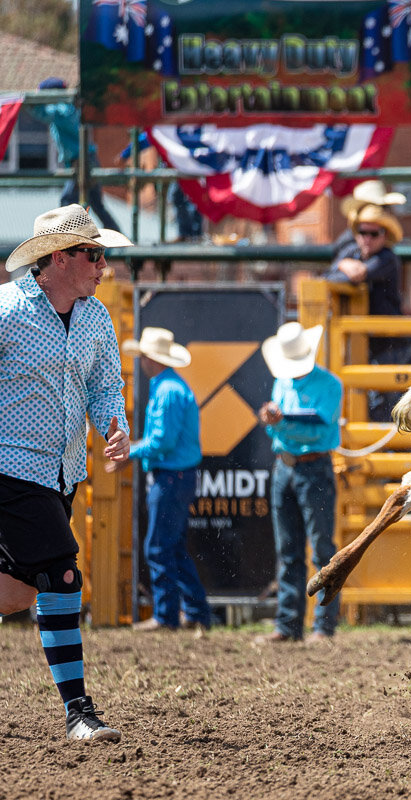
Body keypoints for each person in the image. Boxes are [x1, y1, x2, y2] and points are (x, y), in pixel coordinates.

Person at [0, 203, 132, 741]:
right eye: (94, 254)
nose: (103, 266)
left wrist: (114, 424)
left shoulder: (96, 318)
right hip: (9, 466)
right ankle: (79, 711)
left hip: (61, 473)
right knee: (63, 572)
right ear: (60, 257)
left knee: (16, 594)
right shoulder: (7, 311)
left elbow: (105, 386)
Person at [257, 322, 344, 643]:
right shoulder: (289, 382)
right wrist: (277, 424)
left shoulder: (329, 385)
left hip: (309, 466)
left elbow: (318, 430)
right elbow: (304, 428)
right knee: (289, 549)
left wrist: (280, 424)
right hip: (291, 467)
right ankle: (290, 624)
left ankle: (321, 625)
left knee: (320, 548)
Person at [121, 327, 210, 633]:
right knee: (172, 547)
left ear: (149, 358)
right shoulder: (171, 387)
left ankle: (166, 615)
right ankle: (195, 611)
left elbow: (161, 442)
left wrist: (129, 451)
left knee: (159, 547)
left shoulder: (167, 391)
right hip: (177, 476)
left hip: (170, 477)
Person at [325, 202, 405, 422]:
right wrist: (344, 265)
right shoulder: (353, 252)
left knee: (390, 400)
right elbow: (330, 277)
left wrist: (343, 264)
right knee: (363, 396)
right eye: (362, 232)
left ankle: (391, 447)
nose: (366, 238)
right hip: (364, 340)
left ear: (384, 235)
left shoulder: (388, 258)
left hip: (389, 342)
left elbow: (357, 273)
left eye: (373, 233)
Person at [28, 78, 122, 234]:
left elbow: (43, 114)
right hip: (84, 159)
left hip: (82, 161)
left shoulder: (62, 110)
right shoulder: (70, 108)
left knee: (68, 200)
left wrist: (32, 103)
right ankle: (117, 235)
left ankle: (64, 237)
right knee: (95, 203)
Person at [118, 132, 204, 242]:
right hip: (180, 165)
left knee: (191, 197)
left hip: (191, 164)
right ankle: (188, 234)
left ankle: (194, 234)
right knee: (178, 197)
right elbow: (149, 137)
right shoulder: (167, 128)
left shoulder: (178, 127)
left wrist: (125, 154)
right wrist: (126, 154)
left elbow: (150, 137)